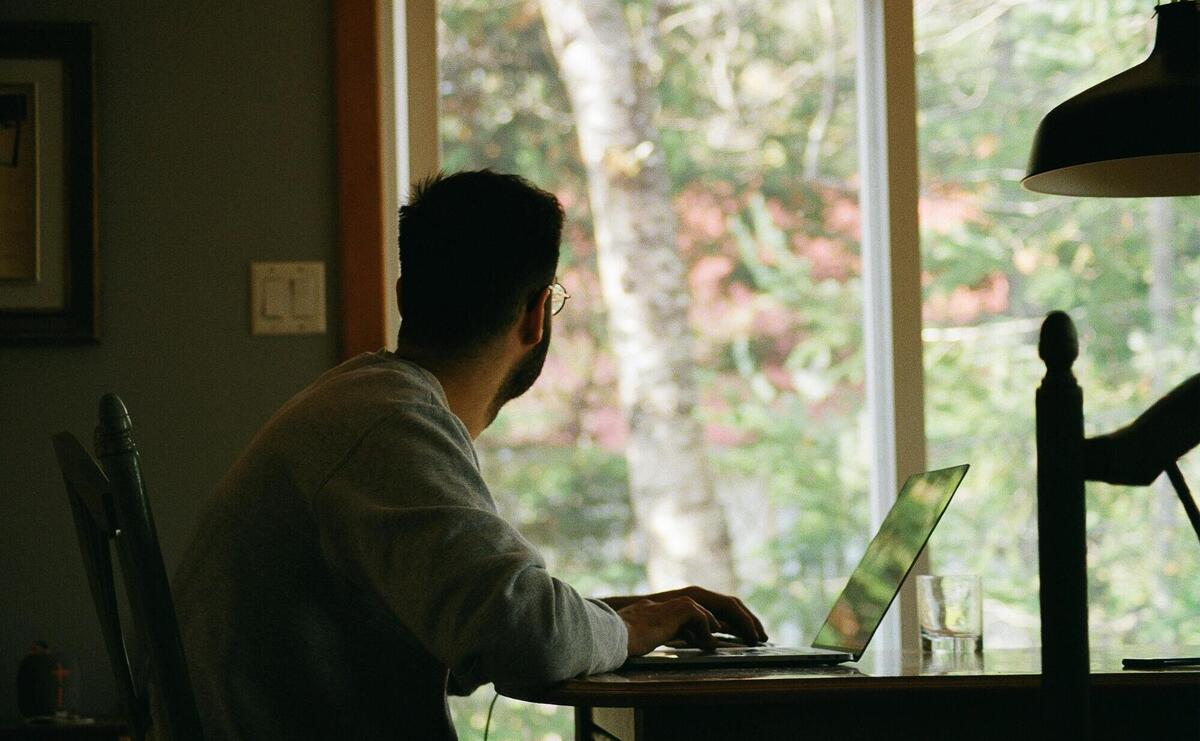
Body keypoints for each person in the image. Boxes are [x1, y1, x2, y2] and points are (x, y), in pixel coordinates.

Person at [164, 170, 766, 740]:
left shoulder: (359, 405)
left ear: (405, 295)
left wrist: (612, 617)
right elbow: (523, 638)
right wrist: (630, 630)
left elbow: (470, 620)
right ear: (535, 316)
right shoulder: (390, 424)